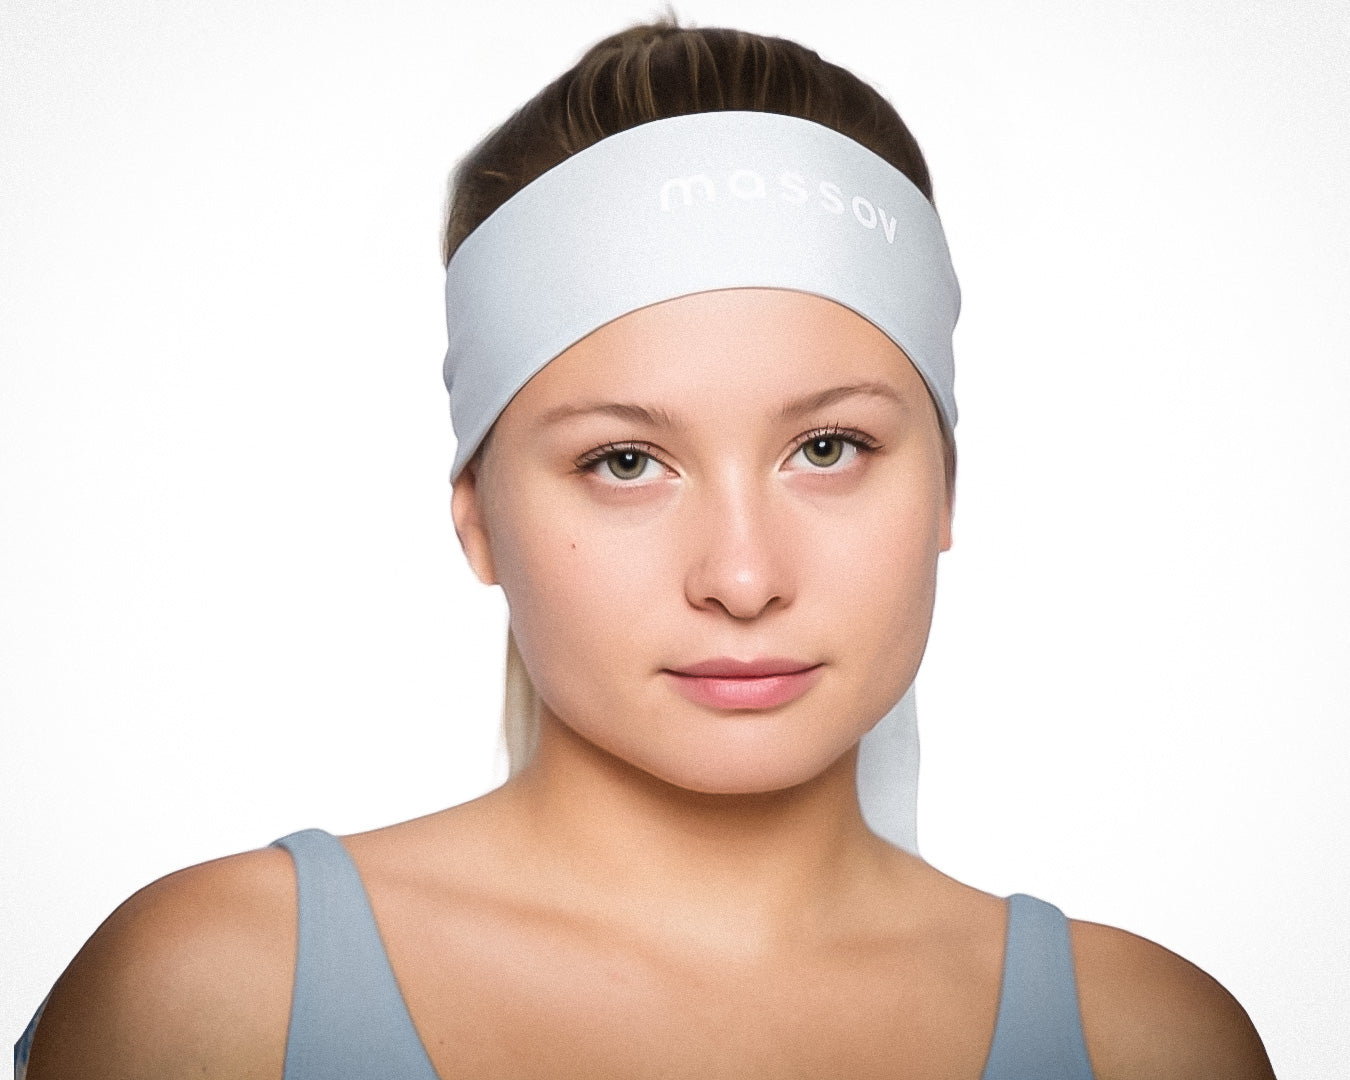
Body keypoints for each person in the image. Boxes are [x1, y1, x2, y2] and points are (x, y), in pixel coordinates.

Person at [17, 18, 1275, 1080]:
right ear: (476, 519)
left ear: (947, 485)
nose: (741, 577)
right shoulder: (215, 1002)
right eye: (626, 462)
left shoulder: (1151, 1042)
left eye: (829, 448)